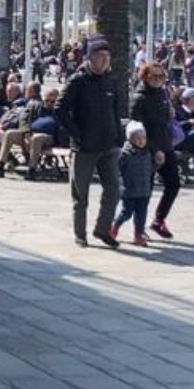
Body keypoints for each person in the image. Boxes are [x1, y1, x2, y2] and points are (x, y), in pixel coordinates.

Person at [56, 37, 123, 249]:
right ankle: (80, 234)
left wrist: (118, 136)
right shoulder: (78, 81)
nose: (104, 61)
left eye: (107, 57)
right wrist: (77, 134)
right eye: (100, 56)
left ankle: (103, 229)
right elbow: (60, 110)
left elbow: (116, 110)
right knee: (80, 194)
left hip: (108, 145)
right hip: (84, 147)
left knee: (113, 189)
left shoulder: (111, 81)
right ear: (90, 57)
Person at [130, 62, 180, 239]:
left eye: (161, 76)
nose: (158, 80)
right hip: (147, 148)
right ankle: (139, 227)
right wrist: (153, 149)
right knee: (146, 190)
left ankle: (159, 220)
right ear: (145, 77)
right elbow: (136, 128)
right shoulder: (139, 98)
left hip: (165, 144)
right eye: (154, 76)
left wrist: (170, 113)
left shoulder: (162, 93)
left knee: (174, 184)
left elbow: (165, 116)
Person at [110, 122, 157, 246]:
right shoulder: (124, 154)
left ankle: (138, 235)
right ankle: (114, 226)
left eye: (143, 138)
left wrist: (158, 164)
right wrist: (119, 184)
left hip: (144, 189)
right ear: (130, 139)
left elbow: (150, 169)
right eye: (138, 138)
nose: (141, 141)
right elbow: (117, 169)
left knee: (141, 215)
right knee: (126, 213)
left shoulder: (147, 153)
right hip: (129, 189)